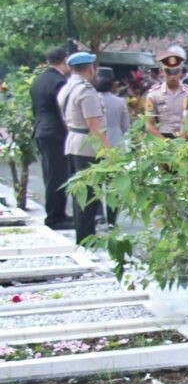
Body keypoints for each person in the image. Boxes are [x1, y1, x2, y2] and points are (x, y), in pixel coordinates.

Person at [57, 52, 112, 244]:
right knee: (89, 198)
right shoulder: (86, 91)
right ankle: (86, 238)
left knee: (79, 195)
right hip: (88, 147)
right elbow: (94, 126)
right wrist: (109, 152)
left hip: (73, 141)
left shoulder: (67, 88)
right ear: (90, 68)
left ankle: (84, 236)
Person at [29, 47, 72, 229]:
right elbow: (63, 110)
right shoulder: (58, 82)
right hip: (55, 132)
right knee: (58, 176)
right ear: (64, 60)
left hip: (42, 129)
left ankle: (58, 213)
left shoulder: (39, 80)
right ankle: (55, 217)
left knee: (52, 174)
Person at [94, 67, 129, 227]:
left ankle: (97, 214)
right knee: (113, 184)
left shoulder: (91, 100)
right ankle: (111, 219)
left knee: (95, 182)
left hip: (95, 144)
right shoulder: (120, 102)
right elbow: (126, 126)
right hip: (115, 144)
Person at [144, 51, 188, 138]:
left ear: (181, 72)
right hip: (163, 137)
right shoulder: (154, 95)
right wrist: (164, 143)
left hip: (186, 137)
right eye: (169, 72)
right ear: (162, 72)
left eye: (176, 72)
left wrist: (183, 139)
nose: (172, 76)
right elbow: (149, 124)